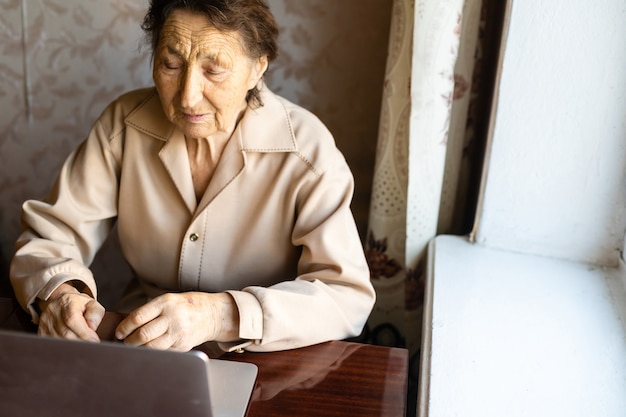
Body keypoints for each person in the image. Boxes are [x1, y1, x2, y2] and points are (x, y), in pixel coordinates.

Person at [9, 0, 374, 353]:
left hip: (268, 356)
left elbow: (344, 296)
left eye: (213, 70)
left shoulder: (307, 153)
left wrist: (219, 315)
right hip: (143, 346)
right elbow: (53, 235)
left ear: (257, 68)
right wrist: (61, 294)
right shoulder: (124, 126)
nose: (187, 97)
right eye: (171, 64)